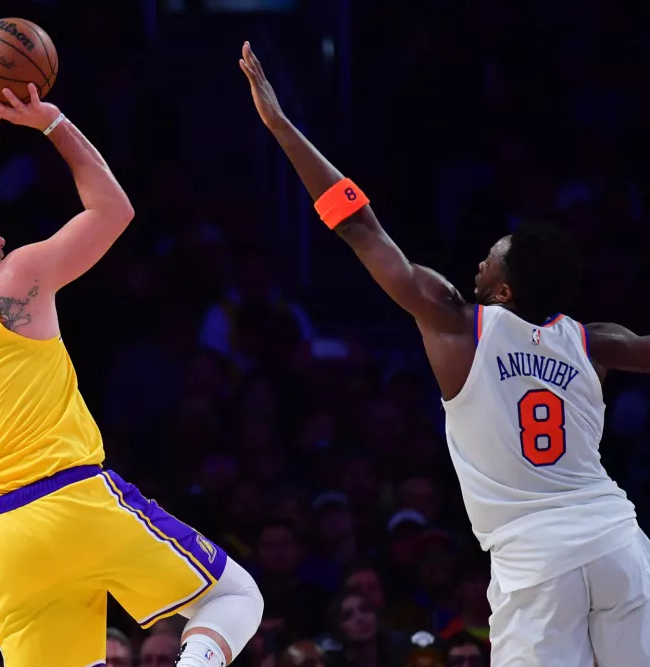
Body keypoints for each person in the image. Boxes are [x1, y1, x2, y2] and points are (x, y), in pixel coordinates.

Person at [240, 39, 650, 667]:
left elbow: (357, 225)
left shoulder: (459, 324)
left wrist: (280, 124)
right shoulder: (597, 342)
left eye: (491, 258)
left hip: (536, 559)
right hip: (620, 542)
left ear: (503, 289)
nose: (478, 261)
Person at [0, 82, 263, 667]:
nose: (1, 233)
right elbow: (114, 210)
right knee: (236, 595)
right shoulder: (17, 280)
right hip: (71, 498)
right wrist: (52, 122)